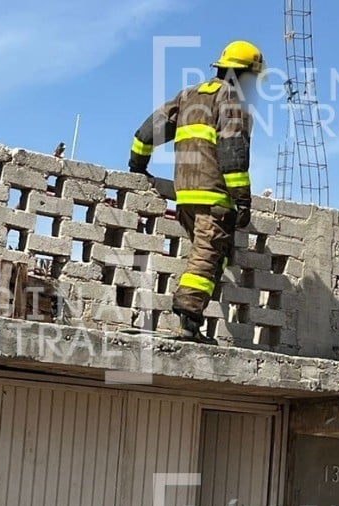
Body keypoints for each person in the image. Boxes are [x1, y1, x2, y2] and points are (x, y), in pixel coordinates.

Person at [127, 40, 264, 342]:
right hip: (214, 199)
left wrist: (137, 165)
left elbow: (147, 132)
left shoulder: (189, 95)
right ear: (244, 75)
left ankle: (192, 322)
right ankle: (188, 322)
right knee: (205, 259)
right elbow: (233, 153)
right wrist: (242, 200)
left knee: (217, 255)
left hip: (185, 198)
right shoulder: (233, 100)